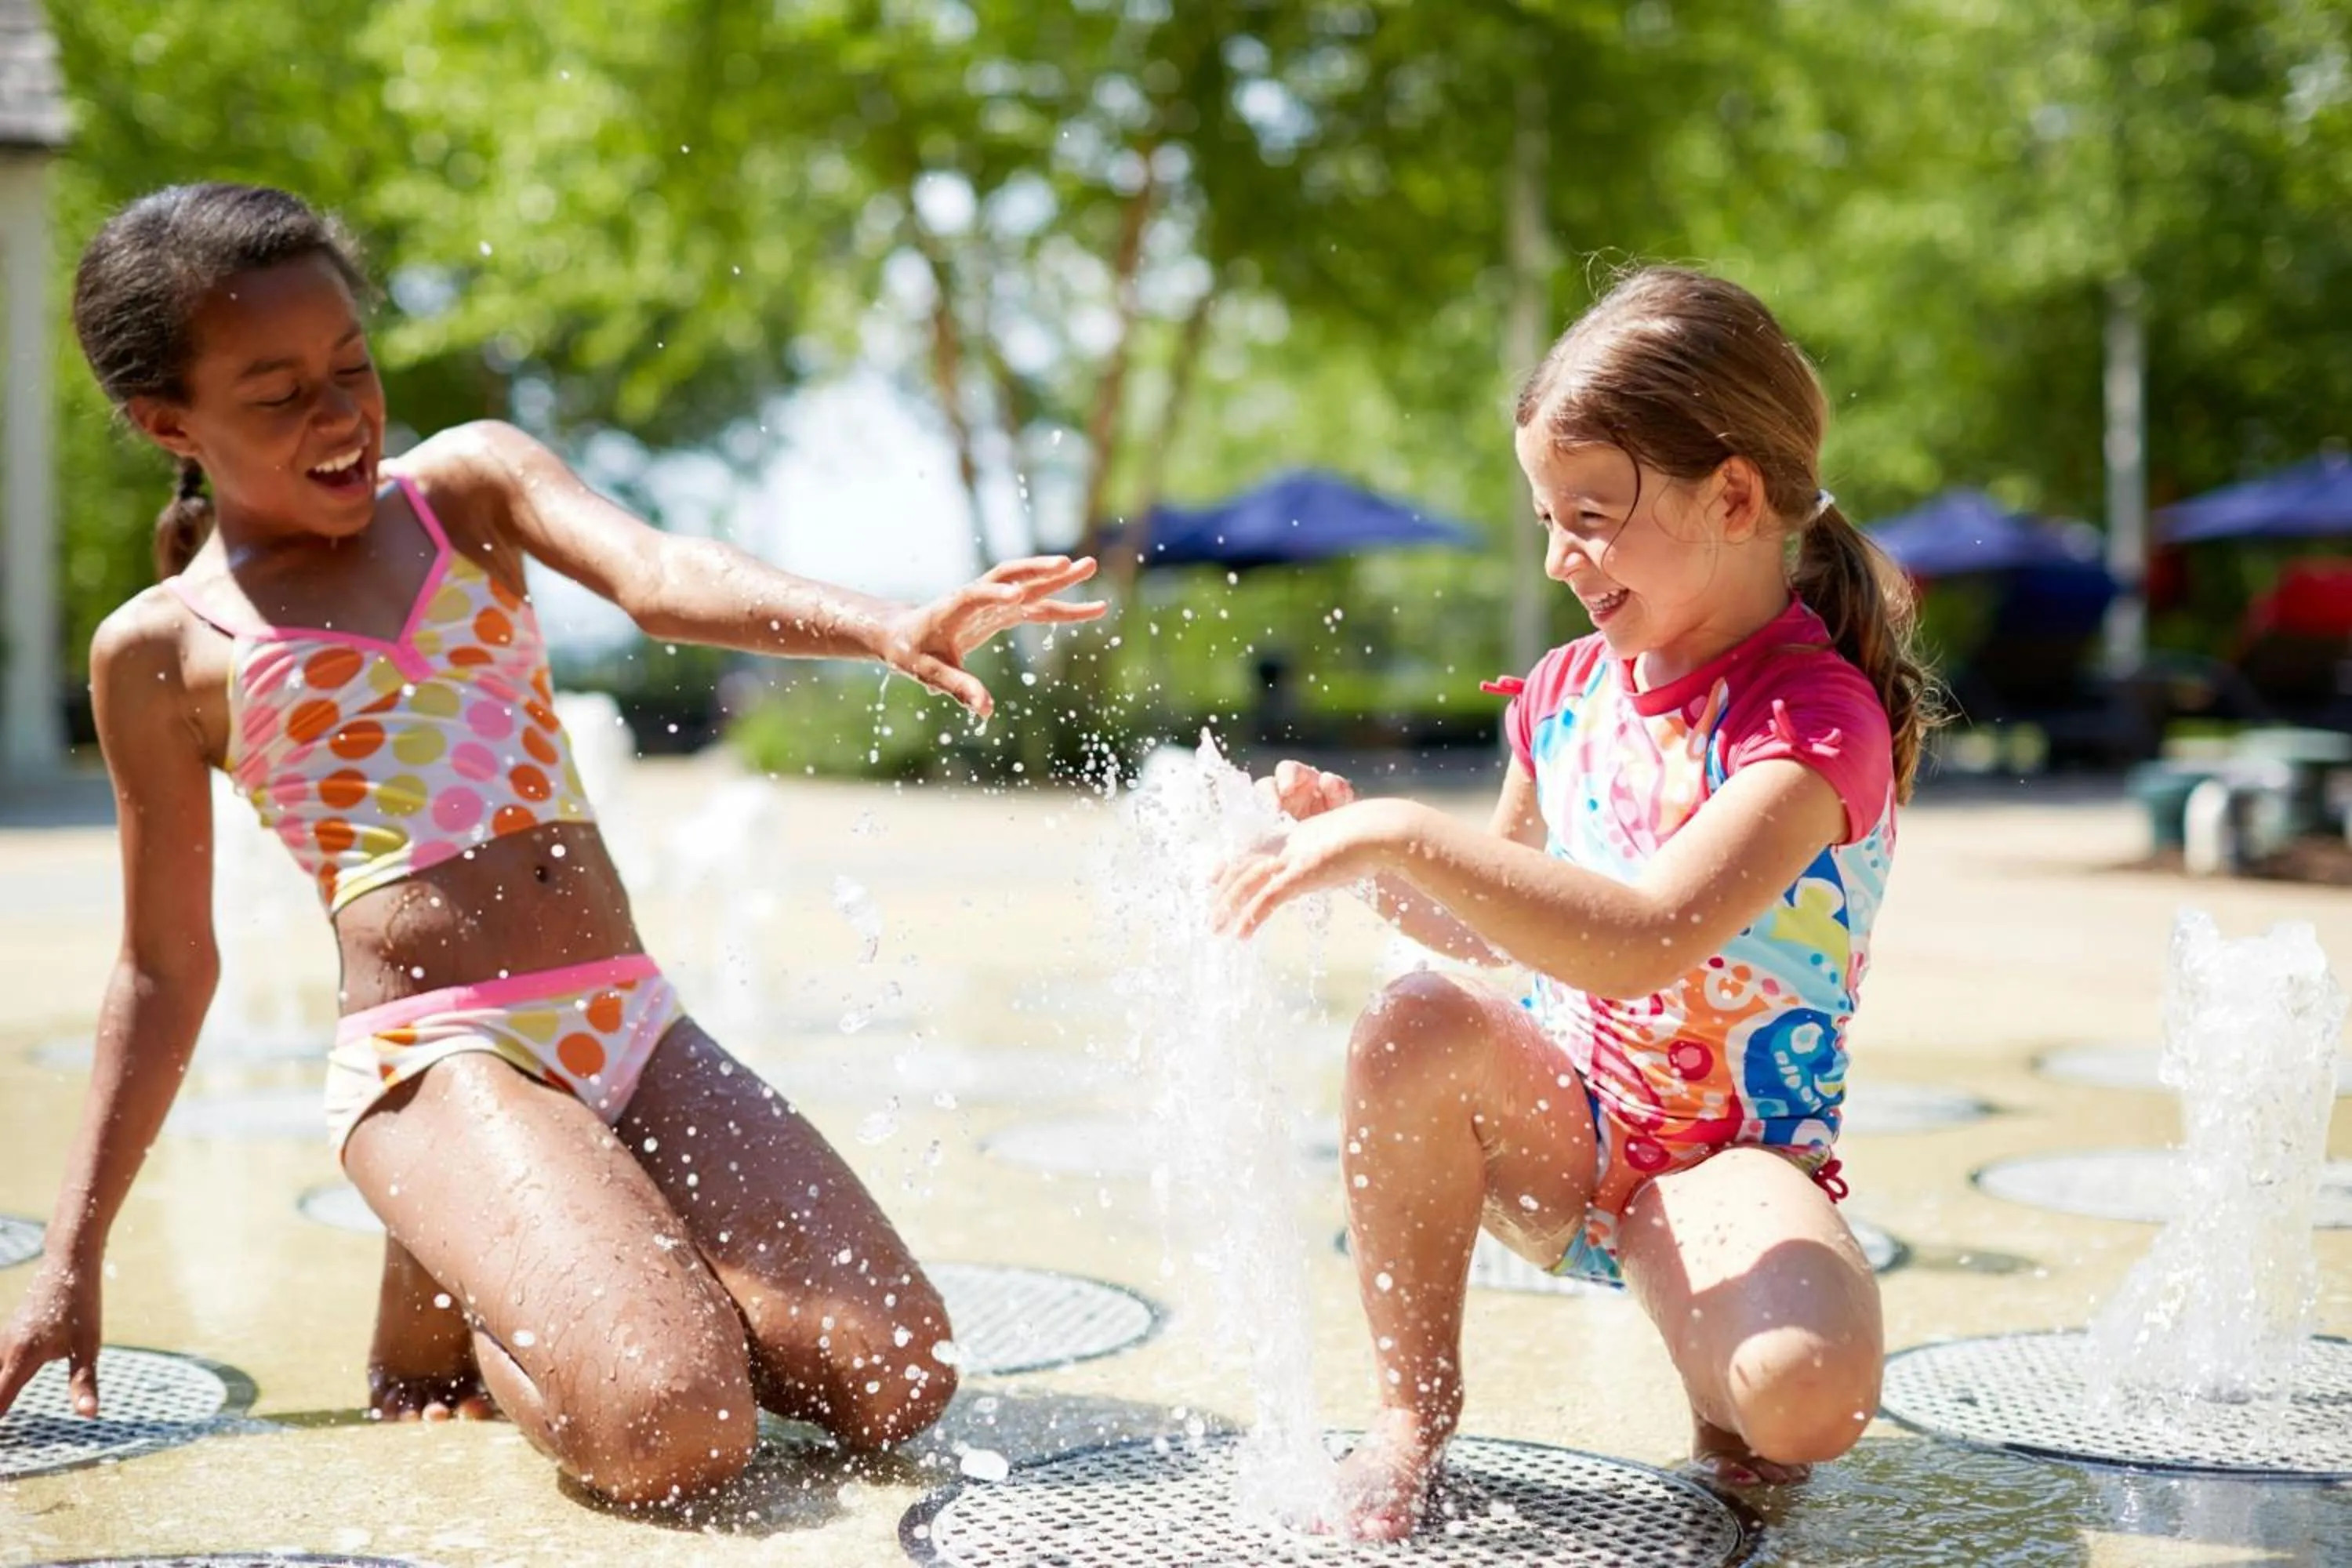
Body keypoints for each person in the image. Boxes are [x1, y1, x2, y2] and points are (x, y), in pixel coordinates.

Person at [0, 182, 1104, 1506]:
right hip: (440, 1054)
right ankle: (480, 1266)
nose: (342, 414)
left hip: (630, 1022)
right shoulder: (166, 648)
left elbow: (662, 576)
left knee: (898, 1378)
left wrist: (879, 624)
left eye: (353, 366)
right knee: (676, 1432)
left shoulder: (465, 490)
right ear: (166, 421)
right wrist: (71, 1256)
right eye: (280, 393)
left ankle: (512, 1239)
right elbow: (164, 968)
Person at [1211, 266, 1936, 1539]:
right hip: (1570, 1129)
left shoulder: (1813, 725)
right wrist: (1372, 856)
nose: (1559, 557)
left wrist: (1405, 833)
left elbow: (1646, 935)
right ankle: (1408, 1420)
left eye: (1592, 514)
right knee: (1415, 1023)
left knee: (1802, 1401)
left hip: (1729, 1162)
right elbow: (1502, 927)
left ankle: (1712, 1342)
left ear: (1733, 494)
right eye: (1548, 515)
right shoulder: (1564, 692)